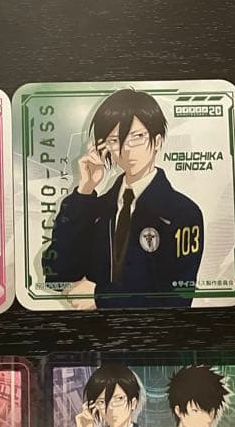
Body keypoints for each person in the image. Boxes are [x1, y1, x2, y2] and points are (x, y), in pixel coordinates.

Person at [42, 89, 203, 308]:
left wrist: (101, 296)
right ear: (104, 147)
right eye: (115, 140)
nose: (126, 149)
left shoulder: (182, 212)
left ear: (157, 141)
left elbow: (176, 299)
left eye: (137, 137)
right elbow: (57, 274)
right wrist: (85, 191)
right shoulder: (94, 208)